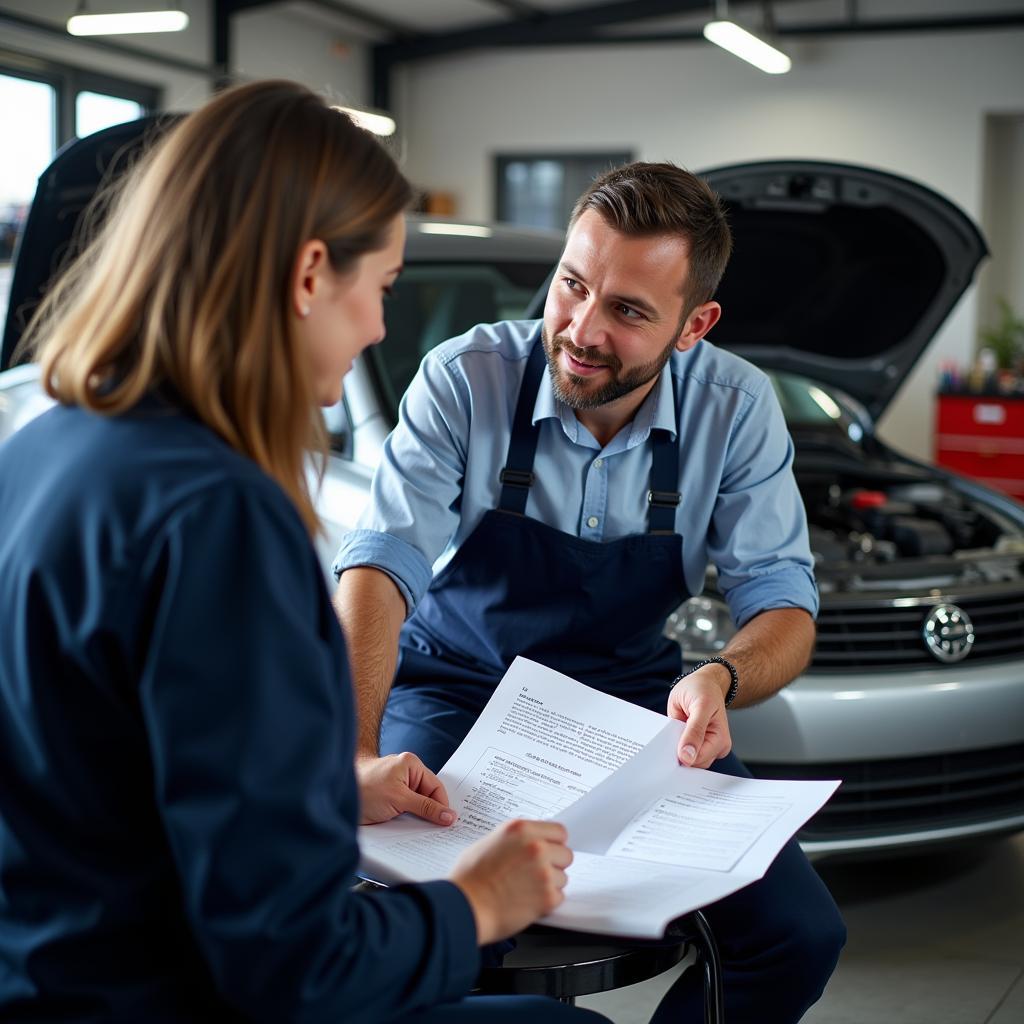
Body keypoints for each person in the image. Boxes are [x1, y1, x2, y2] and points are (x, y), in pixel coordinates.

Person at [0, 80, 612, 1024]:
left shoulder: (45, 445)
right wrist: (476, 905)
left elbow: (115, 763)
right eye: (382, 291)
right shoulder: (217, 517)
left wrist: (320, 792)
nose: (375, 327)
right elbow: (295, 966)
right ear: (308, 274)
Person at [334, 161, 847, 1023]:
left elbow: (785, 605)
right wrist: (354, 753)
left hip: (636, 707)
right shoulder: (467, 378)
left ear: (695, 325)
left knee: (798, 934)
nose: (579, 328)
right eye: (573, 285)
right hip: (458, 688)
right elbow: (379, 571)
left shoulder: (738, 408)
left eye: (628, 311)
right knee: (446, 921)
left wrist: (719, 677)